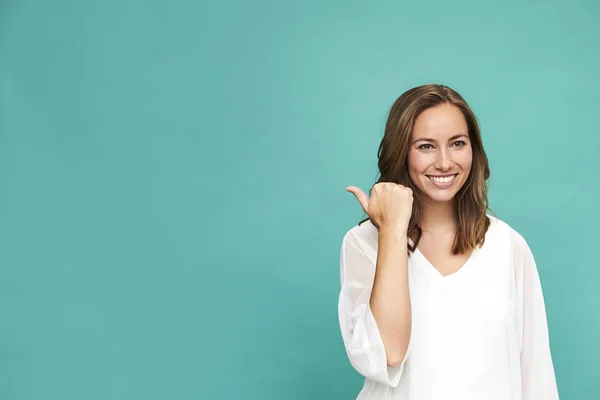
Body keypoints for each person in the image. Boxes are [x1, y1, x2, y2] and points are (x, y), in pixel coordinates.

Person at [338, 84, 560, 399]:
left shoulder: (508, 245)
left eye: (457, 143)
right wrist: (392, 230)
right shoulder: (364, 243)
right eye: (426, 146)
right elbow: (387, 354)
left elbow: (536, 374)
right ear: (402, 152)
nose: (444, 162)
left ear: (474, 149)